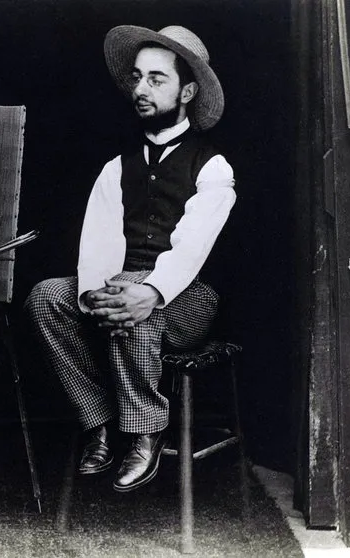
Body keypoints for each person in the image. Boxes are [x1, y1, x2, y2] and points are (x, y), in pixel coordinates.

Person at [25, 25, 236, 492]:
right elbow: (97, 242)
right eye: (137, 78)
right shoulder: (117, 166)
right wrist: (96, 293)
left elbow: (193, 247)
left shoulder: (213, 166)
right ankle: (97, 422)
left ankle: (145, 431)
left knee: (140, 307)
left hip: (188, 296)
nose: (140, 89)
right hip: (125, 281)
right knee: (46, 298)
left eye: (156, 80)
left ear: (187, 91)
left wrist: (150, 291)